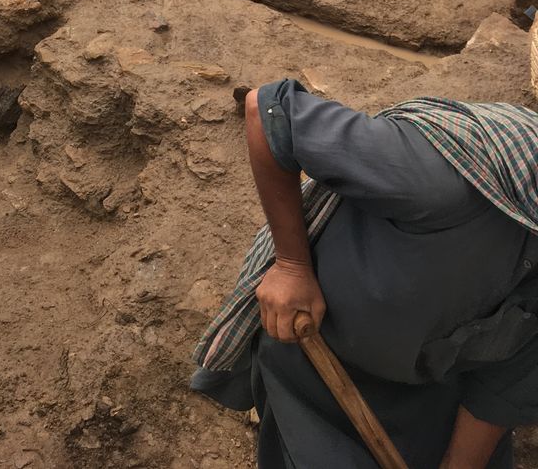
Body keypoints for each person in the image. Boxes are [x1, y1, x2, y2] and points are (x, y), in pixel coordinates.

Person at [191, 79, 538, 468]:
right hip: (320, 362)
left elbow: (505, 384)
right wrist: (292, 266)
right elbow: (269, 110)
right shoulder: (439, 180)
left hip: (437, 382)